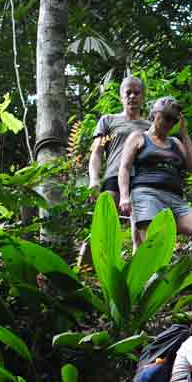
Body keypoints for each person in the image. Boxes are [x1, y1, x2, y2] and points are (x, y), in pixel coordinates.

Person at [118, 96, 192, 297]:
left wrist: (184, 134)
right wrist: (124, 196)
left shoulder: (176, 142)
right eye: (166, 117)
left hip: (175, 200)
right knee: (155, 243)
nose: (169, 123)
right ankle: (153, 295)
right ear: (154, 114)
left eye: (173, 120)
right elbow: (124, 168)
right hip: (146, 194)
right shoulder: (138, 137)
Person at [79, 76, 149, 263]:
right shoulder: (109, 121)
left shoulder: (149, 127)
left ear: (142, 97)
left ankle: (137, 270)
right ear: (121, 97)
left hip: (140, 179)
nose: (132, 97)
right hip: (114, 175)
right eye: (128, 93)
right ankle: (98, 264)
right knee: (106, 223)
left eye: (137, 93)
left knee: (139, 228)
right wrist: (94, 178)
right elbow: (97, 151)